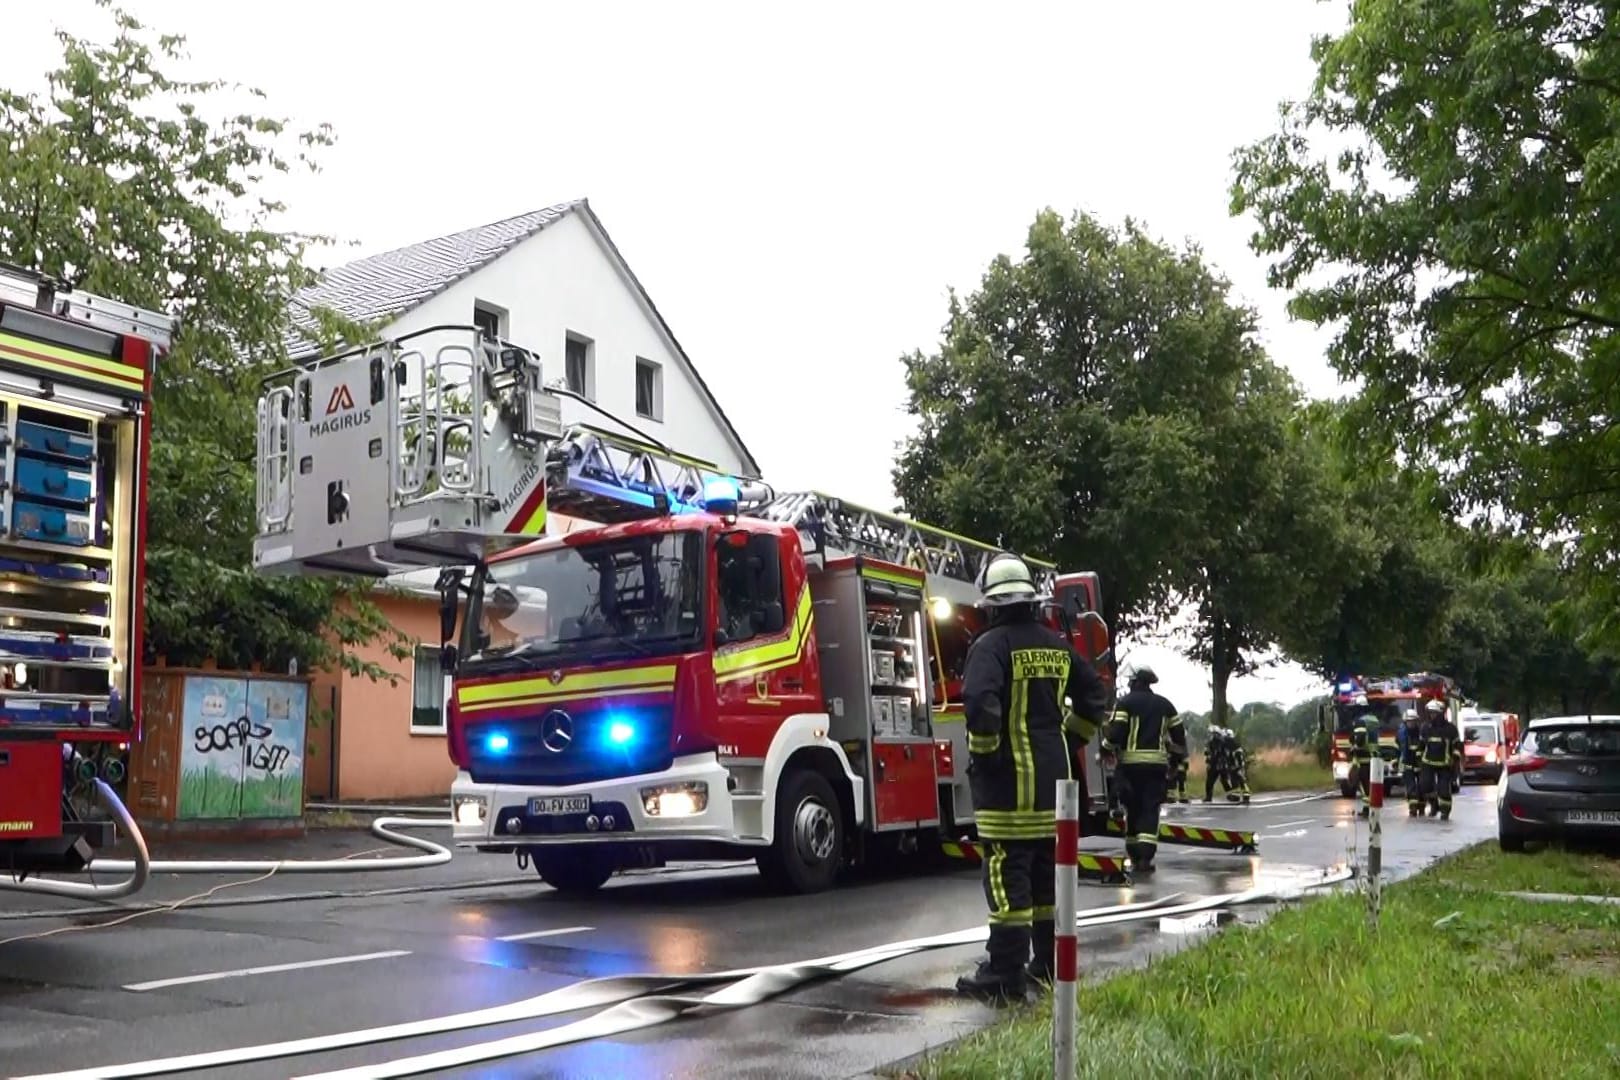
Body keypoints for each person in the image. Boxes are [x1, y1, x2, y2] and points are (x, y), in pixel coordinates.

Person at [956, 553, 1110, 1001]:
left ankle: (1004, 974)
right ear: (1030, 600)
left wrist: (987, 760)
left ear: (993, 604)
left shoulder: (989, 647)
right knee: (1046, 882)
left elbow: (981, 708)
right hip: (1054, 791)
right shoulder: (1059, 647)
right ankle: (1045, 963)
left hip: (1008, 792)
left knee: (1007, 880)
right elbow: (1093, 700)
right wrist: (1067, 741)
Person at [1100, 665, 1186, 875]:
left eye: (1131, 681)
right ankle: (1145, 859)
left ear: (1137, 681)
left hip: (1129, 767)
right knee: (1150, 809)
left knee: (1133, 809)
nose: (1129, 684)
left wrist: (1105, 749)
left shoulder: (1126, 703)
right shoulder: (1166, 705)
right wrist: (1175, 763)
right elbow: (1179, 738)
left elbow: (1117, 732)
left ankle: (1134, 854)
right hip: (1156, 768)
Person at [1419, 698, 1460, 819]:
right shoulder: (1425, 728)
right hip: (1428, 762)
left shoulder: (1451, 729)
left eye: (1434, 713)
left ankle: (1445, 811)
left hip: (1445, 764)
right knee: (1425, 786)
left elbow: (1457, 746)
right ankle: (1434, 805)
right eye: (1430, 713)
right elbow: (1421, 746)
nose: (1432, 715)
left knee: (1443, 789)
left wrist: (1455, 759)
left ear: (1441, 713)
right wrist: (1418, 759)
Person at [1349, 694, 1379, 818]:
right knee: (1370, 784)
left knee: (1363, 785)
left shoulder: (1360, 721)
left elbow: (1360, 738)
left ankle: (1368, 809)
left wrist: (1355, 746)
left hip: (1363, 756)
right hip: (1373, 755)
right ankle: (1369, 807)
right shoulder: (1373, 719)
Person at [1398, 707, 1423, 816]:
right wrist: (1395, 761)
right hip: (1408, 764)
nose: (1411, 723)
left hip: (1420, 764)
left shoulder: (1421, 732)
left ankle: (1422, 806)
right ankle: (1413, 808)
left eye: (1413, 721)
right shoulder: (1401, 734)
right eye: (1409, 721)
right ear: (1405, 721)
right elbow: (1397, 747)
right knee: (1411, 786)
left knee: (1422, 786)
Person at [1221, 727, 1252, 804]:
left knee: (1242, 781)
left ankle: (1246, 797)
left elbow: (1239, 759)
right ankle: (1236, 797)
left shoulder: (1235, 746)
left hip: (1238, 767)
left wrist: (1238, 767)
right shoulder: (1228, 747)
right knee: (1234, 782)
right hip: (1233, 767)